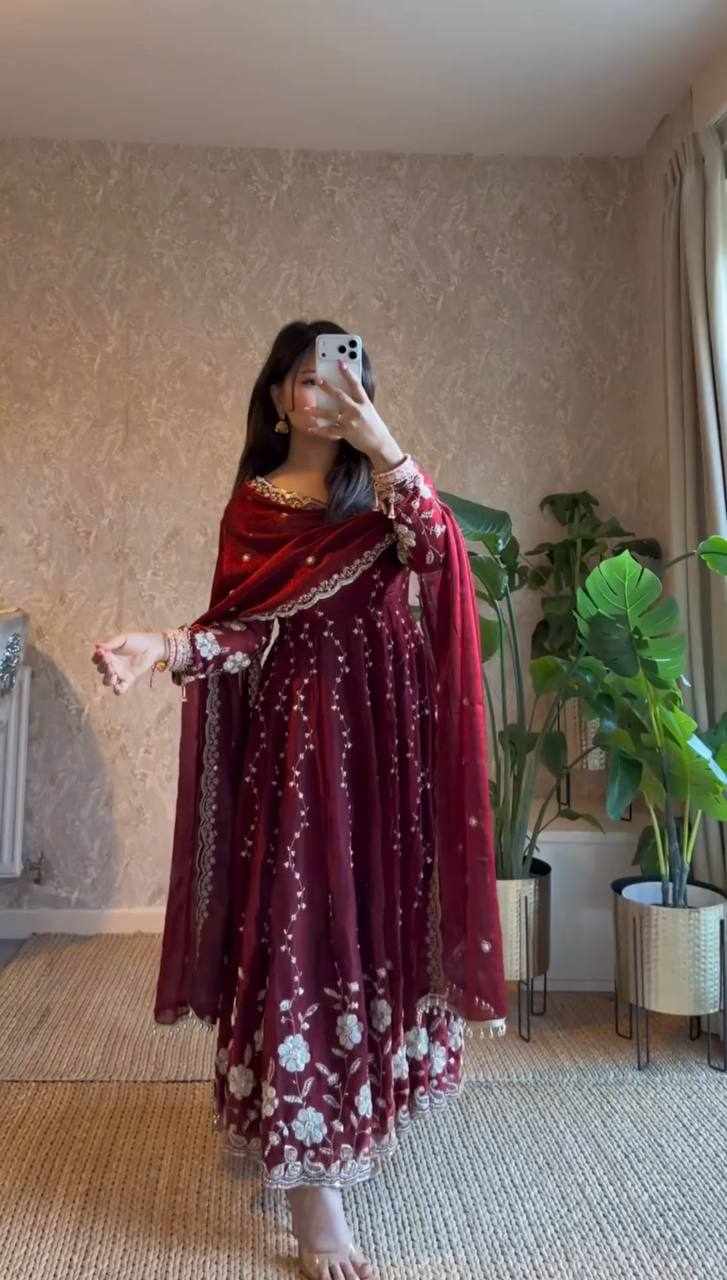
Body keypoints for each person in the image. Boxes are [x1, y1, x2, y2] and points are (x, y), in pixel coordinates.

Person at [92, 319, 507, 1280]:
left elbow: (439, 558)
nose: (325, 391)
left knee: (374, 925)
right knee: (300, 933)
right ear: (279, 394)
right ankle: (314, 1193)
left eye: (344, 374)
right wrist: (162, 646)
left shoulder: (386, 490)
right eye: (308, 377)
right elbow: (240, 632)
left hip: (388, 748)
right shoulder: (256, 506)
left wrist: (381, 442)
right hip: (299, 750)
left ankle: (361, 1112)